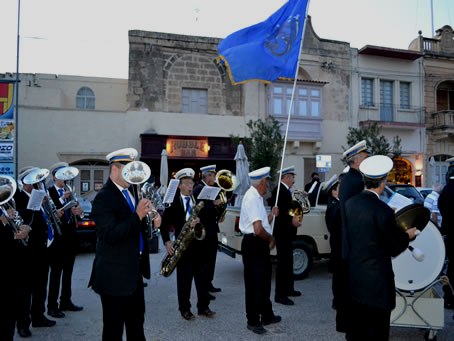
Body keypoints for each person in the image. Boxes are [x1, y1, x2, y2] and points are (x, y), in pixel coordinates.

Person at [88, 148, 160, 341]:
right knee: (113, 330)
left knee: (137, 325)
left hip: (133, 272)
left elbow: (137, 229)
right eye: (128, 169)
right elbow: (111, 234)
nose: (134, 175)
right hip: (114, 276)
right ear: (115, 170)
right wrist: (137, 215)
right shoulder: (103, 197)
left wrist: (152, 220)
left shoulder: (132, 193)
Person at [344, 155, 417, 340]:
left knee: (358, 329)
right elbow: (392, 247)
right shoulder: (383, 210)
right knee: (378, 331)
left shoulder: (350, 204)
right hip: (377, 283)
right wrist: (406, 236)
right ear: (383, 182)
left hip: (355, 278)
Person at [160, 168, 215, 320]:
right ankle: (185, 309)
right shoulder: (172, 203)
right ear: (180, 186)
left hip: (199, 245)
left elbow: (208, 219)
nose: (191, 186)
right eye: (187, 183)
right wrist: (167, 241)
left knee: (202, 278)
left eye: (192, 183)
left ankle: (203, 307)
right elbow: (163, 224)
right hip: (183, 247)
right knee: (184, 280)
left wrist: (200, 221)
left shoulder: (198, 200)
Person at [15, 166, 57, 337]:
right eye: (34, 180)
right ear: (26, 182)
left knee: (41, 285)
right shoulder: (18, 197)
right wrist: (34, 204)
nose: (38, 183)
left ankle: (39, 316)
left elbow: (46, 218)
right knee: (25, 289)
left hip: (42, 248)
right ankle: (23, 324)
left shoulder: (40, 196)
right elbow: (24, 220)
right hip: (27, 251)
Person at [239, 166, 281, 335]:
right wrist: (271, 239)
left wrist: (271, 215)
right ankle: (253, 320)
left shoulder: (256, 197)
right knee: (255, 284)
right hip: (254, 244)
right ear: (262, 182)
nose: (268, 186)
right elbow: (257, 229)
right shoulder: (252, 198)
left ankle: (267, 315)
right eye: (267, 182)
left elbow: (261, 223)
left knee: (263, 282)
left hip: (257, 243)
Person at [337, 139, 369, 336]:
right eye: (365, 157)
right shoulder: (356, 180)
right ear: (356, 161)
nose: (368, 159)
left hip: (349, 240)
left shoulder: (349, 179)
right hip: (355, 241)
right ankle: (352, 328)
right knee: (354, 288)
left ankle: (348, 325)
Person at [47, 162, 84, 319]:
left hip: (70, 236)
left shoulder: (70, 190)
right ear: (55, 176)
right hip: (57, 238)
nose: (65, 178)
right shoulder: (49, 192)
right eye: (62, 175)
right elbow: (51, 212)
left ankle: (65, 301)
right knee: (56, 273)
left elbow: (77, 211)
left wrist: (78, 211)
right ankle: (52, 306)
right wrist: (63, 199)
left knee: (68, 272)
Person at [0, 176, 31, 341]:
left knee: (11, 311)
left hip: (14, 263)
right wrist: (4, 223)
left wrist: (23, 228)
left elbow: (18, 225)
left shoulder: (7, 204)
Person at [270, 165, 302, 306]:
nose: (294, 180)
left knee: (288, 261)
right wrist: (293, 219)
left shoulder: (286, 191)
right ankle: (280, 294)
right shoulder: (279, 191)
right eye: (292, 177)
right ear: (286, 177)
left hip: (287, 232)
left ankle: (289, 289)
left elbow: (290, 207)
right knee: (283, 263)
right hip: (283, 232)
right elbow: (281, 213)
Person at [192, 165, 222, 298]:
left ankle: (209, 283)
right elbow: (201, 208)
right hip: (204, 229)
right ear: (207, 176)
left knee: (211, 258)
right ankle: (203, 288)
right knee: (204, 259)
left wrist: (220, 210)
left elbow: (212, 209)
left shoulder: (211, 189)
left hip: (211, 228)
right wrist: (214, 204)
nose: (214, 178)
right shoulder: (199, 188)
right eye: (212, 175)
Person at [323, 174, 341, 308]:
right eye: (340, 187)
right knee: (338, 273)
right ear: (334, 191)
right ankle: (337, 301)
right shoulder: (334, 206)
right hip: (338, 242)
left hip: (338, 242)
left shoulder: (337, 203)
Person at [439, 172, 454, 309]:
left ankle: (448, 296)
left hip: (448, 231)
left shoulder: (446, 190)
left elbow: (441, 207)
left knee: (450, 268)